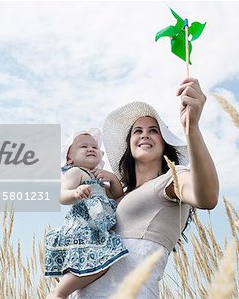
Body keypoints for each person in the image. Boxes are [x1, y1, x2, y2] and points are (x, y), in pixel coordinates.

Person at [71, 78, 219, 298]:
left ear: (164, 142)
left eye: (153, 130)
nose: (144, 135)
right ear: (130, 144)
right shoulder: (116, 194)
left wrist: (192, 129)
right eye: (137, 131)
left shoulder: (172, 179)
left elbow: (206, 197)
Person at [45, 128, 129, 299]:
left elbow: (117, 194)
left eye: (94, 147)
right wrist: (76, 193)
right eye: (83, 146)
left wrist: (112, 178)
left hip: (96, 231)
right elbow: (61, 195)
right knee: (97, 262)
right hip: (83, 230)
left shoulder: (96, 178)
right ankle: (59, 293)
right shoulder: (76, 172)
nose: (91, 148)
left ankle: (65, 291)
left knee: (100, 263)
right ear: (70, 158)